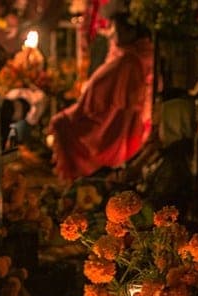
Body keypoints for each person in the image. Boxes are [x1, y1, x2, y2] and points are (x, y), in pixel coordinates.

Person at [48, 11, 155, 183]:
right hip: (107, 119)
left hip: (110, 126)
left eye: (119, 29)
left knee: (62, 124)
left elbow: (119, 105)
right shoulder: (125, 57)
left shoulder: (129, 62)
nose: (114, 34)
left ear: (133, 32)